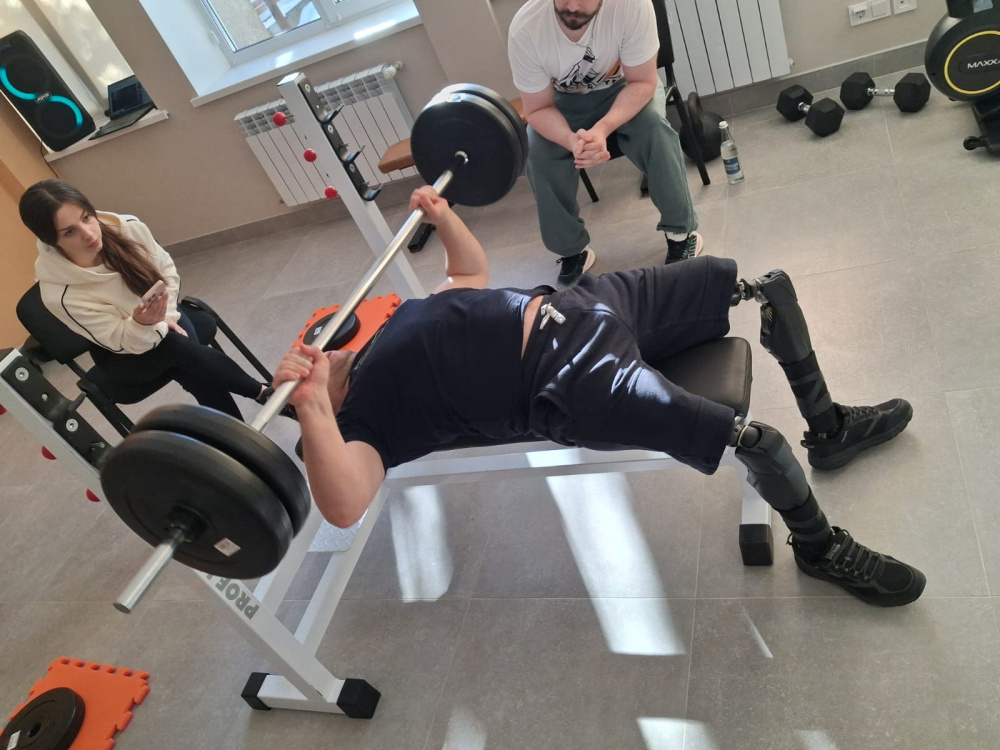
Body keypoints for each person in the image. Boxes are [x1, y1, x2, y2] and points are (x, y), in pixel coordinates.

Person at [274, 187, 923, 608]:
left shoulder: (393, 326)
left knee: (767, 286)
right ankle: (818, 548)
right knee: (756, 441)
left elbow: (467, 273)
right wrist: (310, 406)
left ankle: (830, 428)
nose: (322, 349)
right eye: (311, 358)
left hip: (586, 305)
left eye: (319, 343)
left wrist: (443, 217)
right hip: (572, 379)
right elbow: (344, 504)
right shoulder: (365, 422)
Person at [19, 179, 274, 422]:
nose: (88, 234)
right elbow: (119, 341)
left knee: (184, 358)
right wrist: (146, 324)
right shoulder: (59, 294)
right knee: (177, 347)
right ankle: (264, 394)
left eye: (86, 217)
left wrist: (163, 318)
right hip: (123, 354)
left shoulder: (127, 228)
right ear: (51, 240)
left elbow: (167, 274)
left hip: (166, 319)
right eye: (69, 232)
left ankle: (246, 433)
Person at [508, 0, 703, 287]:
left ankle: (681, 233)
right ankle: (572, 250)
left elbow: (642, 83)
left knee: (653, 128)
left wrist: (603, 128)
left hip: (625, 87)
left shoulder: (631, 6)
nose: (572, 5)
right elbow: (537, 109)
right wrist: (571, 140)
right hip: (563, 103)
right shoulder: (526, 27)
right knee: (537, 150)